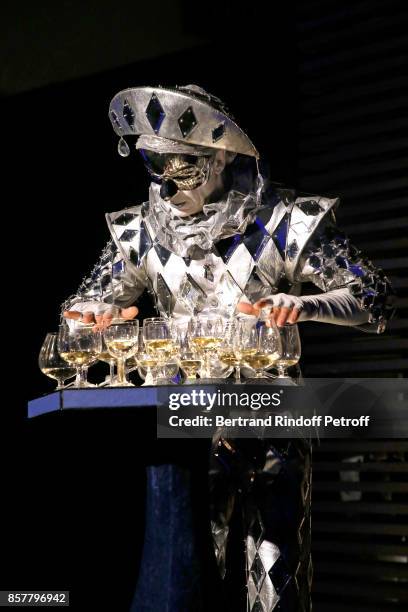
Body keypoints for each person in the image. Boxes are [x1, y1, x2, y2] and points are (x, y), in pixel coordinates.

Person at [62, 84, 394, 612]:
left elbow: (373, 297)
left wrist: (304, 305)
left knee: (275, 585)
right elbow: (82, 306)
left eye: (184, 172)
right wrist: (91, 315)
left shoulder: (284, 218)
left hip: (273, 422)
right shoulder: (142, 228)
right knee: (189, 579)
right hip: (185, 429)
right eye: (156, 171)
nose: (168, 190)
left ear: (219, 157)